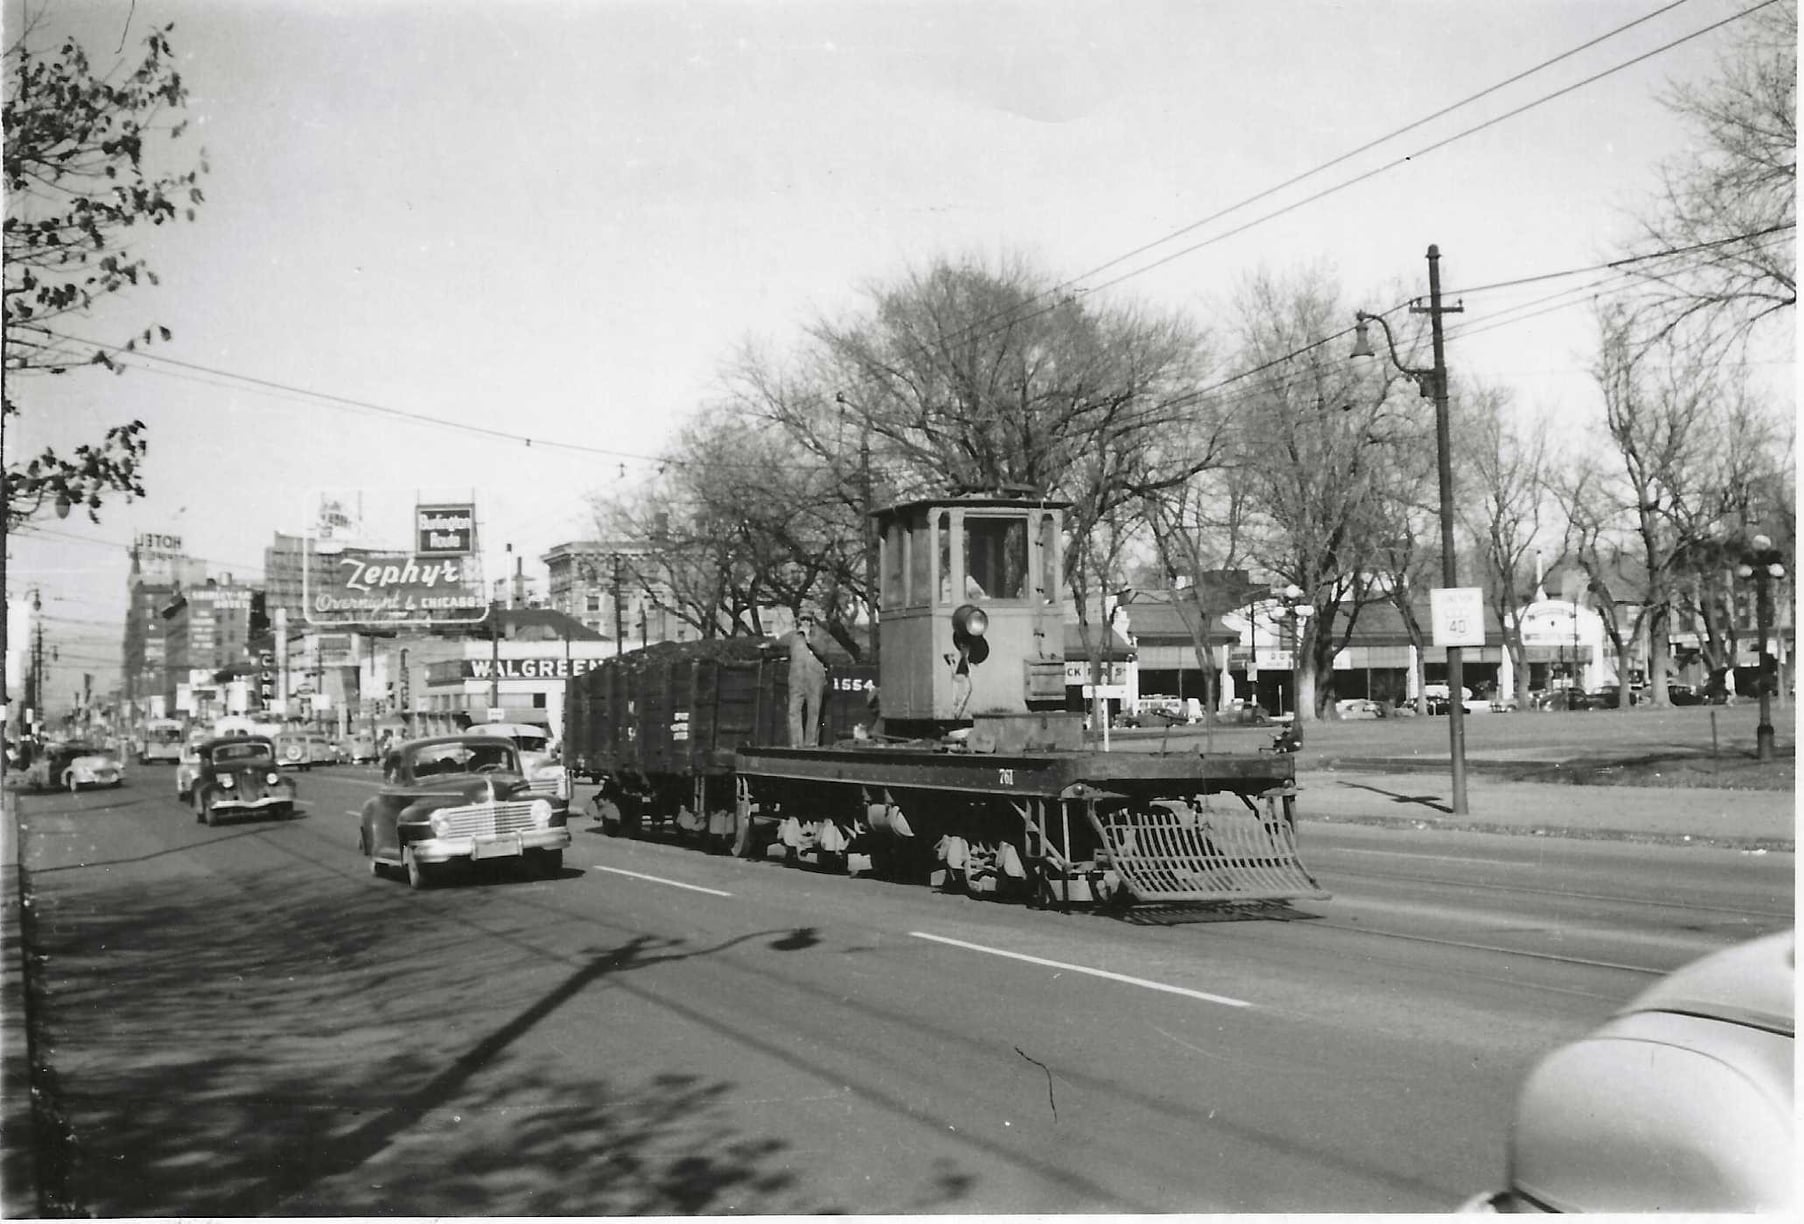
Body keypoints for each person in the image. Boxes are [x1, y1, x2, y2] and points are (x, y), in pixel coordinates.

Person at [779, 611, 831, 747]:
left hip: (815, 679)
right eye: (803, 619)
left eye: (808, 619)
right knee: (793, 711)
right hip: (796, 679)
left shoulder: (820, 635)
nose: (805, 622)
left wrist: (809, 638)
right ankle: (796, 743)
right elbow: (778, 644)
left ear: (813, 620)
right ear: (799, 621)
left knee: (814, 712)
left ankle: (811, 743)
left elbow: (824, 652)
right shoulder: (793, 636)